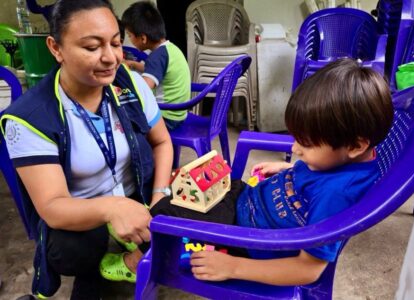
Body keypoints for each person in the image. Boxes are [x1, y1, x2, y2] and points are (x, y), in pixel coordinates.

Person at [149, 58, 394, 286]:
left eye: (306, 144)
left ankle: (135, 262)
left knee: (163, 212)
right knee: (194, 190)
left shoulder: (338, 195)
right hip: (247, 198)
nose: (296, 149)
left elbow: (308, 270)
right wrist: (290, 169)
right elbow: (323, 178)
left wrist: (233, 267)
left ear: (355, 145)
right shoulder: (346, 161)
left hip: (244, 234)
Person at [0, 0, 173, 299]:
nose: (110, 58)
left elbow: (162, 141)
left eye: (116, 43)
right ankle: (103, 263)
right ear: (56, 48)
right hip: (85, 213)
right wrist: (112, 208)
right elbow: (52, 206)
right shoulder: (30, 117)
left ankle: (134, 257)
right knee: (72, 249)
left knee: (202, 206)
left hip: (140, 195)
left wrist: (158, 198)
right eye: (92, 47)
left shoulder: (129, 84)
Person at [121, 1, 191, 130]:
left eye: (130, 36)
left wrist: (124, 79)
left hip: (166, 117)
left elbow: (144, 89)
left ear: (143, 38)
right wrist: (133, 64)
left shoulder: (156, 57)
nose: (129, 39)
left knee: (123, 120)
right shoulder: (170, 49)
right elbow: (156, 70)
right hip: (179, 114)